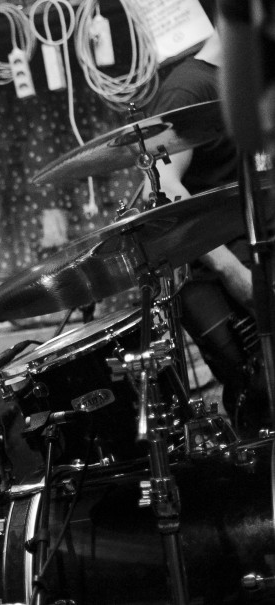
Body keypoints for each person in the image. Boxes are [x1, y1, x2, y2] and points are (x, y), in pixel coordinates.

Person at [142, 31, 269, 435]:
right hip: (221, 276)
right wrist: (232, 271)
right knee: (261, 403)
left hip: (256, 252)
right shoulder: (189, 89)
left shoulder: (244, 83)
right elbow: (161, 189)